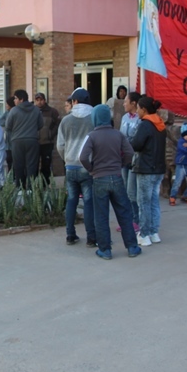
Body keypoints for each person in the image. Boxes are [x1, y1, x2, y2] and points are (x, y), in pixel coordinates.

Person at [79, 103, 141, 260]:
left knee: (101, 215)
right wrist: (121, 164)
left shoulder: (92, 135)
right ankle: (132, 247)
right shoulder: (118, 134)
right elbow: (129, 152)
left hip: (99, 178)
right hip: (117, 177)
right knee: (124, 213)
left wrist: (91, 169)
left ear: (95, 118)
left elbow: (83, 157)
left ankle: (105, 250)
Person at [56, 88, 96, 247]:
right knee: (88, 202)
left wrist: (66, 158)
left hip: (71, 166)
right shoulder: (94, 118)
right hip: (88, 166)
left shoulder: (66, 120)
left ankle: (70, 235)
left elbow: (60, 145)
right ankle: (91, 237)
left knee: (71, 200)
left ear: (75, 101)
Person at [130, 96, 167, 247]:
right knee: (153, 201)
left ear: (144, 109)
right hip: (158, 169)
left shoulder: (145, 125)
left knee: (143, 202)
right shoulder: (160, 124)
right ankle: (153, 232)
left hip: (146, 168)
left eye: (138, 108)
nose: (137, 111)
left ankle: (144, 234)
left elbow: (136, 144)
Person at [5, 89, 43, 187]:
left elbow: (8, 126)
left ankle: (19, 188)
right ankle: (31, 189)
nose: (14, 101)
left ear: (21, 99)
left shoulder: (14, 110)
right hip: (32, 140)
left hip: (17, 141)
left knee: (18, 166)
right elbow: (40, 125)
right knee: (32, 166)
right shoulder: (36, 110)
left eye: (16, 98)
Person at [120, 92, 142, 231]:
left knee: (132, 191)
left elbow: (136, 139)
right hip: (123, 159)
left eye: (126, 101)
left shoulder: (140, 119)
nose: (123, 103)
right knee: (124, 191)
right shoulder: (124, 117)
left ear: (133, 103)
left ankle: (136, 220)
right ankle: (126, 220)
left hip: (134, 159)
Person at [34, 92, 60, 183]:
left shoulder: (52, 111)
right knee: (34, 164)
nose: (39, 102)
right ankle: (35, 183)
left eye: (41, 100)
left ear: (45, 100)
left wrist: (51, 134)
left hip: (47, 143)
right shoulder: (33, 111)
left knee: (46, 164)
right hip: (35, 142)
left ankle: (45, 183)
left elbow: (57, 124)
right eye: (37, 100)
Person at [169, 123, 187, 206]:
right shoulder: (181, 142)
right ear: (183, 136)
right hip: (181, 165)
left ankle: (185, 195)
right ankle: (172, 197)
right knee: (177, 182)